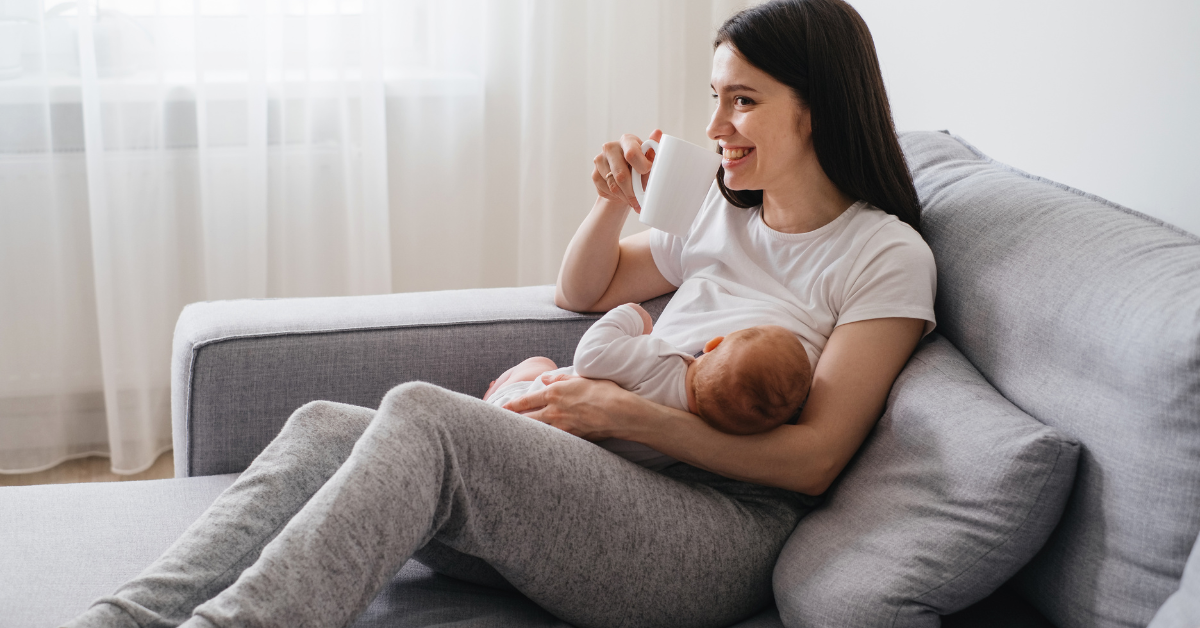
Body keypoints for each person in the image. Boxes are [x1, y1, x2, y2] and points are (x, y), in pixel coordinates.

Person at [64, 1, 935, 627]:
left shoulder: (883, 255)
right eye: (715, 96)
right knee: (327, 424)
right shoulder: (720, 209)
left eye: (741, 100)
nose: (715, 124)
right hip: (603, 480)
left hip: (714, 535)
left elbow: (817, 459)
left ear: (815, 108)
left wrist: (625, 411)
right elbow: (582, 292)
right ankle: (122, 619)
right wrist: (613, 204)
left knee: (424, 415)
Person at [483, 302, 813, 470]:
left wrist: (631, 316)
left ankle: (496, 393)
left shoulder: (658, 360)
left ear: (713, 344)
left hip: (524, 410)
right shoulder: (683, 443)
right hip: (559, 453)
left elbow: (589, 356)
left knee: (540, 365)